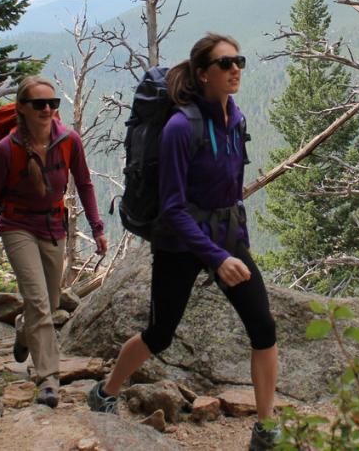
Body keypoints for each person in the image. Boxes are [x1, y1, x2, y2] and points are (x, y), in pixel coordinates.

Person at [87, 33, 280, 451]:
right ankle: (104, 393)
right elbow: (173, 207)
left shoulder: (237, 119)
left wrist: (236, 243)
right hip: (179, 243)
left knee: (263, 328)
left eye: (239, 61)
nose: (234, 70)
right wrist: (216, 257)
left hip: (224, 236)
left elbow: (232, 189)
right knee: (159, 334)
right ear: (202, 73)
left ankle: (265, 429)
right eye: (225, 63)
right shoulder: (180, 127)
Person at [0, 76, 108, 408]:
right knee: (38, 302)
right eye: (39, 104)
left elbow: (85, 184)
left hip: (53, 227)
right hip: (16, 226)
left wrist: (97, 227)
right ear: (23, 108)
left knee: (46, 305)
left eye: (53, 104)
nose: (48, 109)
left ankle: (23, 330)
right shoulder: (8, 149)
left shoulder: (68, 140)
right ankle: (48, 379)